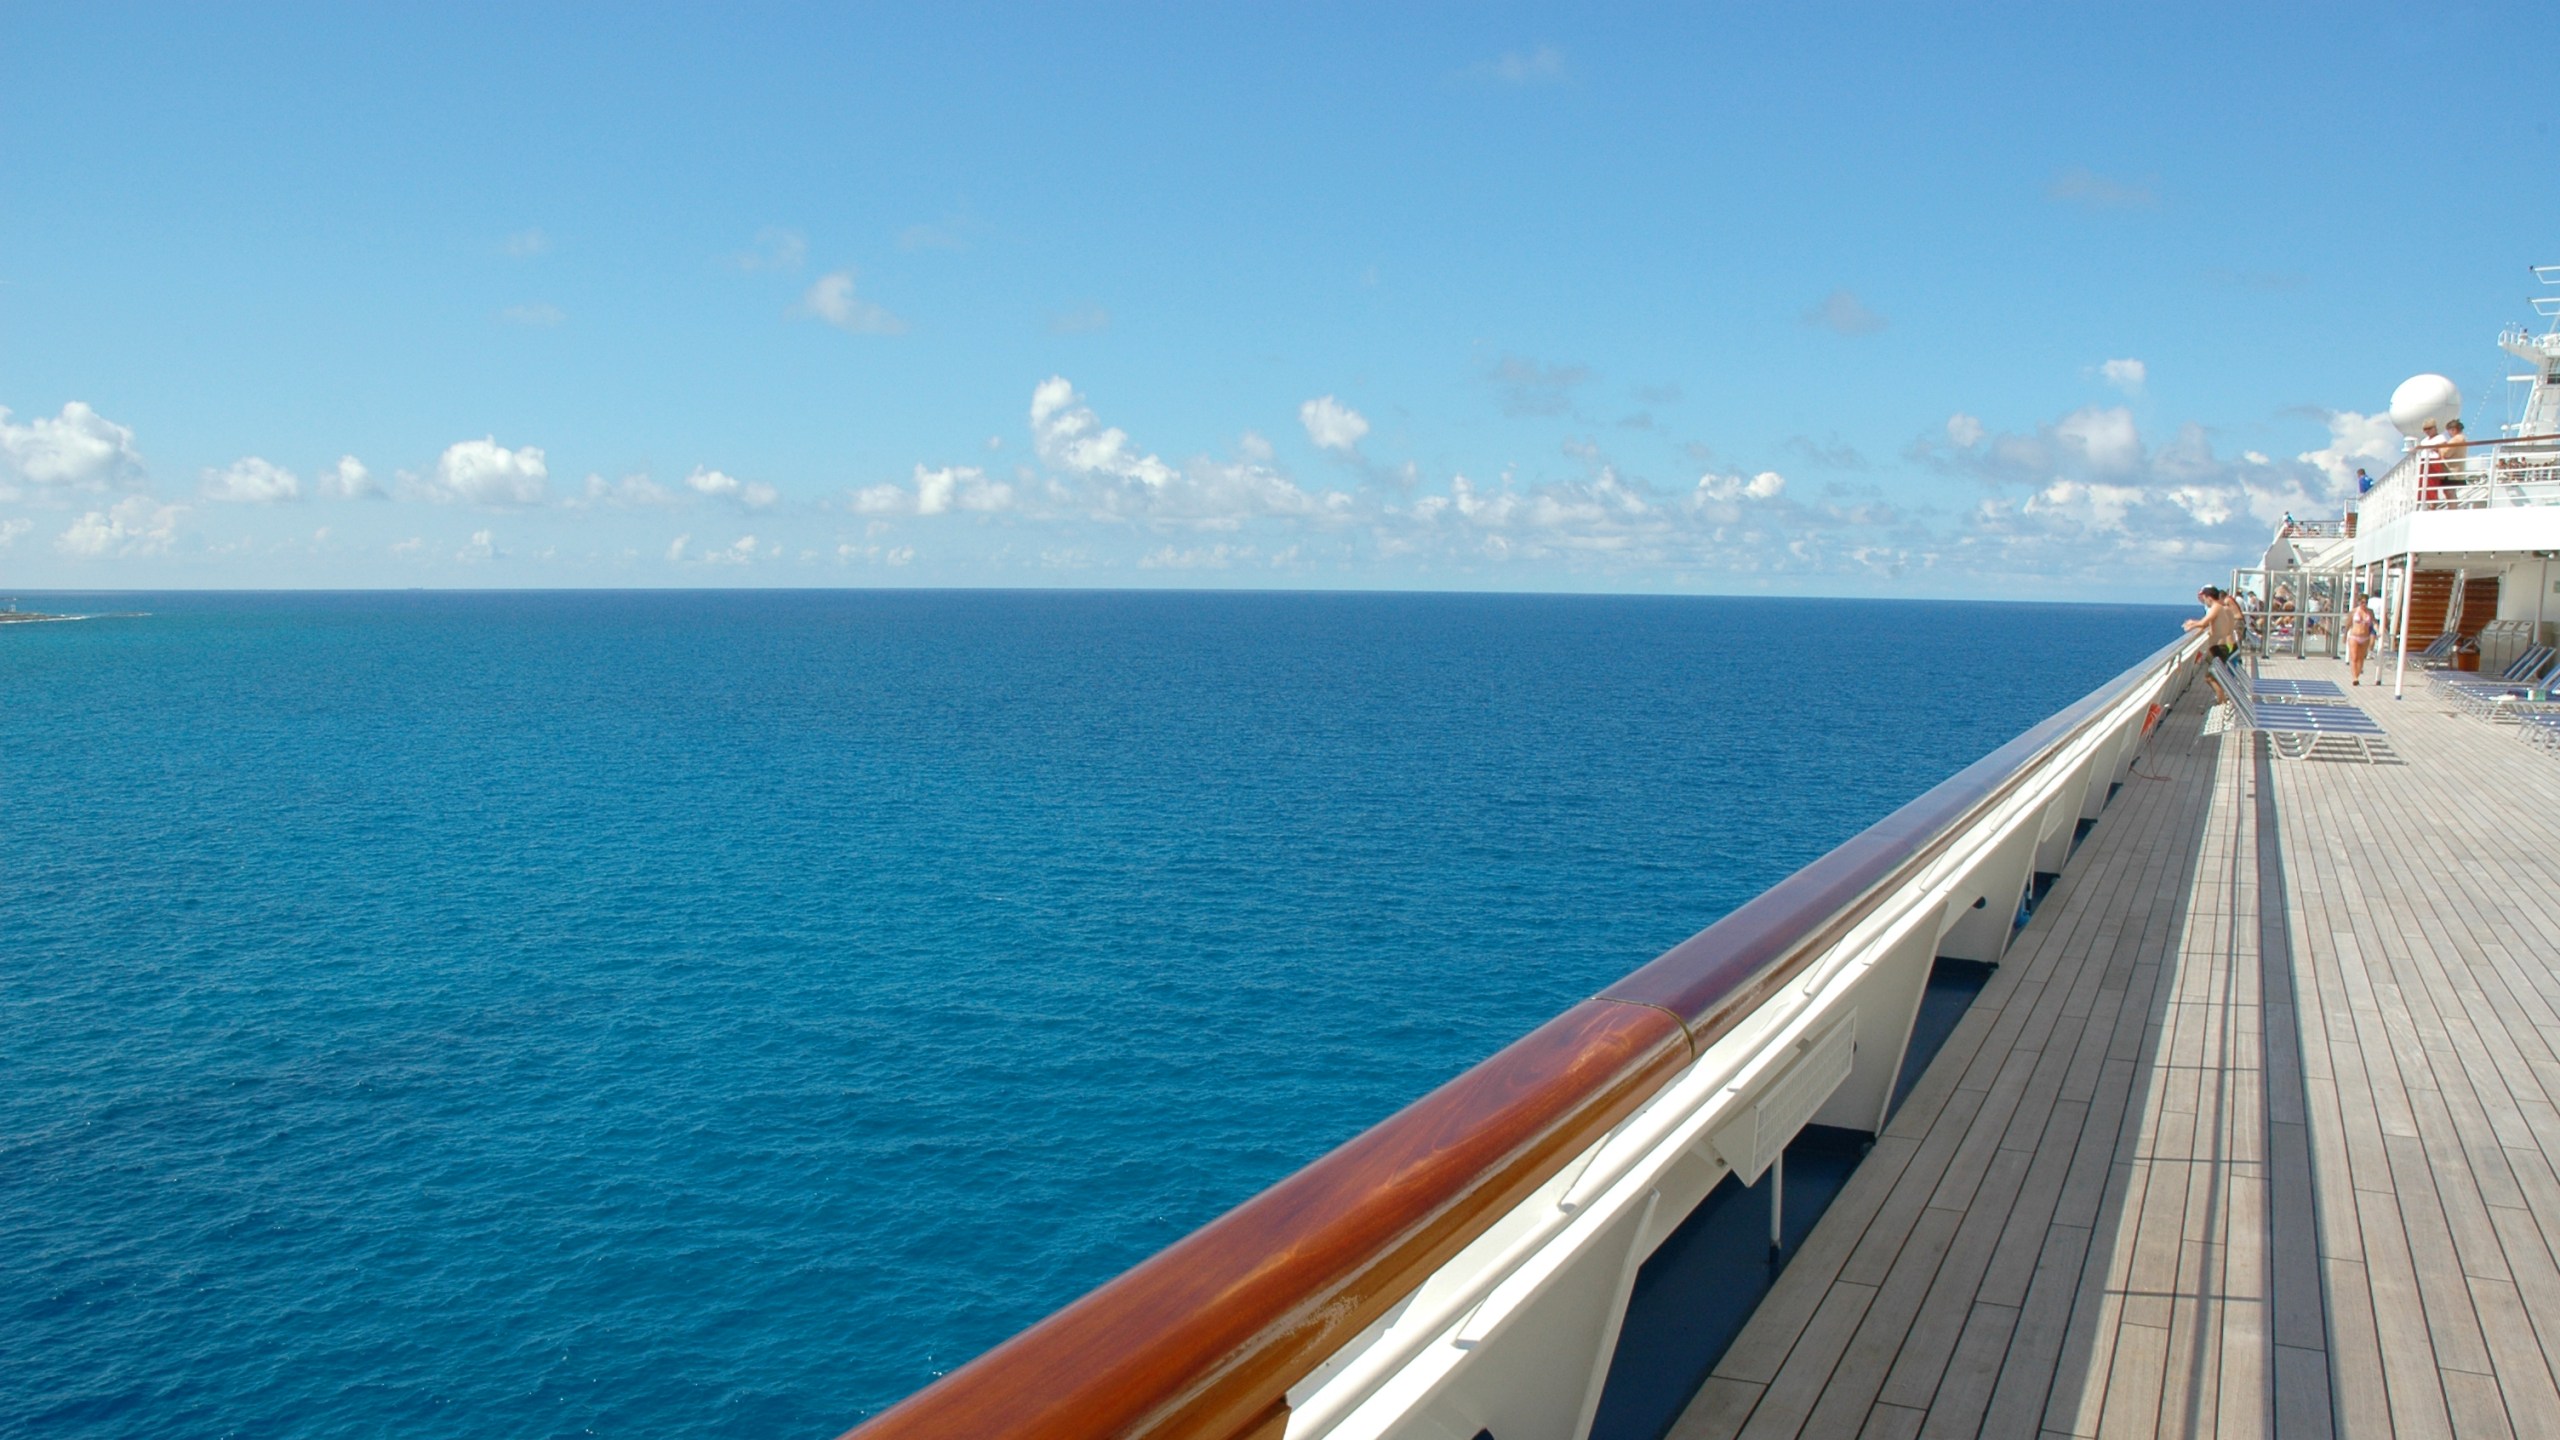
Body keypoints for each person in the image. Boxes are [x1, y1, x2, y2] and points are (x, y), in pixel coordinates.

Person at [2346, 593, 2378, 684]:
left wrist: (2378, 630)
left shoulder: (2370, 612)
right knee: (2354, 657)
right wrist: (2345, 635)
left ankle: (2357, 674)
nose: (2364, 604)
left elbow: (2374, 622)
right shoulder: (2354, 611)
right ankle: (2355, 678)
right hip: (2354, 636)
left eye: (2366, 602)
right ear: (2359, 602)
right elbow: (2348, 624)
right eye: (2362, 602)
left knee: (2361, 658)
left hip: (2365, 637)